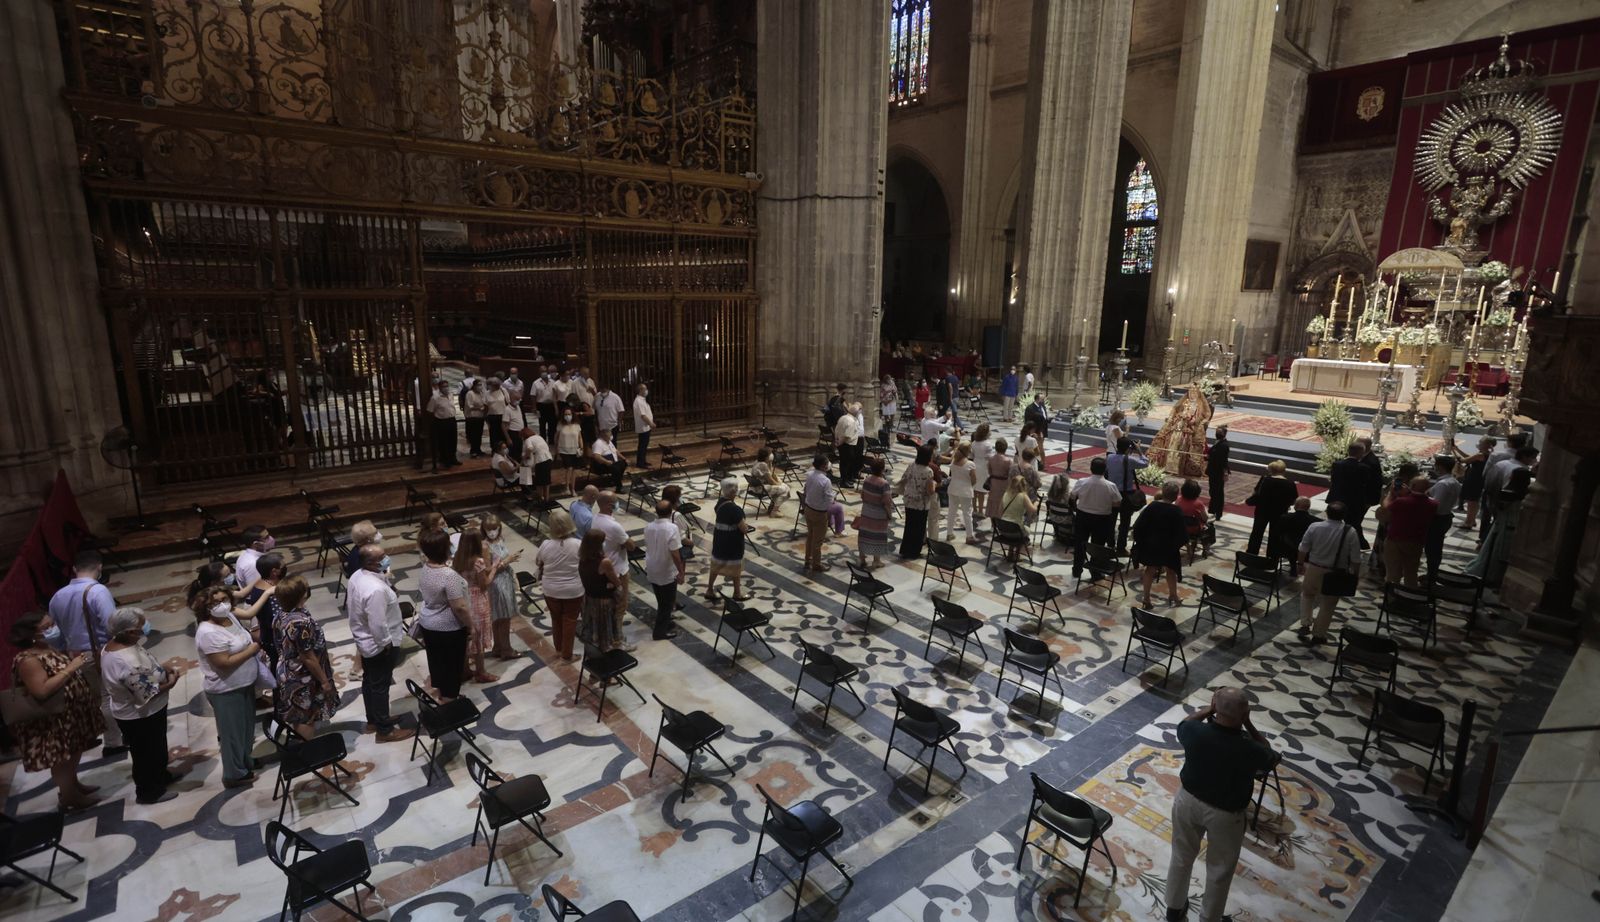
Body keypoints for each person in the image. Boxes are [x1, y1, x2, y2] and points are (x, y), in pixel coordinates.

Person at [1163, 687, 1276, 922]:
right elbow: (1270, 756)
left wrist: (1209, 709)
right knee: (1219, 870)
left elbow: (1185, 723)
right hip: (1225, 815)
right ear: (1245, 714)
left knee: (1181, 856)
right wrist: (1249, 725)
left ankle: (1173, 909)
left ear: (1215, 705)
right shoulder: (1249, 749)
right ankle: (1209, 918)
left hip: (1188, 801)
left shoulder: (1195, 732)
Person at [10, 611, 103, 809]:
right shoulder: (28, 660)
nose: (53, 629)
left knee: (75, 750)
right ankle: (69, 796)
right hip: (52, 722)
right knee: (63, 759)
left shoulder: (44, 648)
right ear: (33, 634)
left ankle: (74, 785)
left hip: (69, 715)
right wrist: (71, 668)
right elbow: (41, 691)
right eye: (47, 627)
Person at [48, 549, 124, 757]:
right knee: (108, 697)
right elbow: (112, 624)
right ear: (99, 567)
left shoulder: (57, 596)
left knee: (93, 698)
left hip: (74, 655)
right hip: (97, 652)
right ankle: (114, 742)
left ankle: (94, 734)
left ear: (74, 569)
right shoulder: (97, 591)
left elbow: (54, 633)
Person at [101, 607, 181, 804]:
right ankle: (148, 791)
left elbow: (144, 667)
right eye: (140, 626)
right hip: (140, 715)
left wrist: (161, 667)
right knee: (146, 753)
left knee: (157, 747)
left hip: (146, 712)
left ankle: (160, 775)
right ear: (128, 632)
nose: (144, 628)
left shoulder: (116, 645)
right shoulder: (125, 661)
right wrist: (170, 682)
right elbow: (147, 692)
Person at [193, 588, 264, 789]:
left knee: (245, 729)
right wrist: (252, 650)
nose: (221, 604)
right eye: (214, 603)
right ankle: (234, 774)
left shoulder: (230, 616)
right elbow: (223, 662)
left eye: (224, 599)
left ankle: (245, 761)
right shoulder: (207, 632)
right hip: (226, 689)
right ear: (205, 608)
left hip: (244, 683)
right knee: (232, 734)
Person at [346, 545, 413, 742]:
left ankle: (373, 719)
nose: (386, 558)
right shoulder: (374, 590)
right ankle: (385, 730)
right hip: (379, 644)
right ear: (371, 563)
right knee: (380, 685)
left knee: (371, 681)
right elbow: (377, 622)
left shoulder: (358, 575)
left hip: (365, 641)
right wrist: (386, 644)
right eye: (382, 556)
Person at [271, 575, 339, 741]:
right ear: (301, 595)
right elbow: (307, 656)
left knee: (300, 713)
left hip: (290, 669)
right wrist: (324, 681)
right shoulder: (299, 622)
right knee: (305, 716)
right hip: (302, 675)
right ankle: (306, 752)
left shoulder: (282, 613)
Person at [417, 528, 472, 702]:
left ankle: (443, 692)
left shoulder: (426, 568)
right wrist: (471, 625)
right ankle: (450, 700)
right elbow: (460, 607)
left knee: (438, 662)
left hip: (428, 623)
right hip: (449, 628)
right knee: (452, 665)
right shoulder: (449, 576)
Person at [1296, 501, 1361, 645]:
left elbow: (1303, 548)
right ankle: (1319, 634)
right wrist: (1355, 575)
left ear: (1326, 512)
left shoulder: (1315, 527)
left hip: (1314, 568)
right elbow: (1356, 558)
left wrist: (1300, 564)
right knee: (1328, 604)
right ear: (1344, 515)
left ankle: (1305, 623)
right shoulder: (1350, 532)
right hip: (1336, 572)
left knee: (1307, 595)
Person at [1468, 463, 1533, 587]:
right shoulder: (1527, 493)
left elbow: (1498, 509)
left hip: (1503, 523)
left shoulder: (1508, 492)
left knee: (1495, 549)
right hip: (1517, 524)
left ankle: (1490, 574)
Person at [454, 528, 506, 682]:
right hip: (477, 600)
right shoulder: (478, 561)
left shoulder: (458, 558)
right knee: (479, 635)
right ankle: (481, 672)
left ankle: (464, 670)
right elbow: (484, 584)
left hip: (463, 596)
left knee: (468, 636)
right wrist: (495, 567)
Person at [533, 510, 584, 661]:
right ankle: (567, 654)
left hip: (551, 589)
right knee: (569, 620)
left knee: (556, 620)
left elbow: (538, 561)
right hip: (573, 589)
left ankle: (559, 650)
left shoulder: (546, 544)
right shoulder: (578, 544)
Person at [592, 491, 637, 649]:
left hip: (604, 567)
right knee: (620, 606)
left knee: (611, 606)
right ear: (608, 505)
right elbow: (631, 545)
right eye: (615, 502)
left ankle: (609, 637)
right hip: (618, 569)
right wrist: (627, 541)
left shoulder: (595, 519)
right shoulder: (613, 526)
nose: (617, 504)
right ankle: (618, 641)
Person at [1133, 480, 1187, 607]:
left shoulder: (1152, 506)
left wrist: (1141, 541)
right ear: (1176, 496)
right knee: (1171, 571)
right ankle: (1173, 595)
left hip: (1151, 544)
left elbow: (1139, 526)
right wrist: (1176, 546)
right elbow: (1182, 533)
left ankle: (1146, 597)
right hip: (1169, 547)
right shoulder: (1176, 511)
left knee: (1149, 570)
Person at [1070, 457, 1122, 581]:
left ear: (1091, 468)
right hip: (1102, 519)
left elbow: (1072, 496)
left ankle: (1077, 570)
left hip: (1083, 516)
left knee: (1080, 544)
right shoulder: (1111, 485)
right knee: (1098, 546)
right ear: (1105, 470)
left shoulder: (1082, 482)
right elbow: (1117, 503)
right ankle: (1096, 572)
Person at [1381, 475, 1437, 587]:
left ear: (1413, 486)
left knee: (1393, 573)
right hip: (1416, 541)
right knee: (1411, 573)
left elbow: (1386, 507)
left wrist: (1391, 494)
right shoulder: (1433, 504)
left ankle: (1391, 599)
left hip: (1395, 539)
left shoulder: (1402, 502)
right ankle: (1409, 598)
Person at [642, 501, 686, 640]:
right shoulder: (672, 528)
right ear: (670, 511)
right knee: (667, 603)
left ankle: (666, 622)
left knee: (661, 599)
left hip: (652, 566)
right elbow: (675, 553)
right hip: (666, 569)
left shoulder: (649, 526)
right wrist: (681, 571)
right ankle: (659, 632)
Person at [481, 514, 523, 660]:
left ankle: (498, 647)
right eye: (489, 529)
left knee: (501, 616)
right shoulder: (485, 545)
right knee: (502, 617)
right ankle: (506, 649)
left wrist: (509, 559)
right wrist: (507, 561)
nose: (492, 532)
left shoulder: (500, 539)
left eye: (495, 528)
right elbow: (487, 570)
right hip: (496, 583)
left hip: (506, 579)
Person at [1480, 434, 1533, 541]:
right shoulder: (1522, 459)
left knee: (1486, 516)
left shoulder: (1497, 455)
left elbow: (1486, 473)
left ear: (1510, 443)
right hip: (1511, 495)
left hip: (1493, 489)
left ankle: (1483, 539)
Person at [1327, 441, 1378, 550]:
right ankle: (1360, 544)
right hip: (1355, 502)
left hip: (1337, 499)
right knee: (1354, 524)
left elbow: (1334, 481)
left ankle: (1337, 542)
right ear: (1360, 453)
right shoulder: (1364, 468)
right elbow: (1365, 485)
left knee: (1335, 523)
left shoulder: (1337, 465)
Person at [578, 531, 624, 654]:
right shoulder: (604, 562)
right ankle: (607, 656)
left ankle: (596, 654)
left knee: (594, 630)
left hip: (589, 598)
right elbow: (617, 582)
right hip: (603, 602)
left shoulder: (583, 558)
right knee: (605, 631)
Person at [707, 479, 752, 601]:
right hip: (732, 543)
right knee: (736, 568)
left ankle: (709, 589)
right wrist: (746, 527)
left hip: (719, 539)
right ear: (734, 491)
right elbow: (743, 529)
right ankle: (737, 593)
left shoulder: (720, 503)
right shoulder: (735, 509)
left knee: (716, 565)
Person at [1245, 460, 1299, 557]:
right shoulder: (1290, 483)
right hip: (1280, 513)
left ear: (1271, 470)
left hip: (1262, 511)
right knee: (1275, 535)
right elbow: (1293, 500)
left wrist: (1249, 501)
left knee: (1257, 533)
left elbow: (1256, 493)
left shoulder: (1265, 480)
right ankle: (1271, 557)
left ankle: (1251, 554)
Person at [1105, 437, 1150, 552]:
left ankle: (1110, 544)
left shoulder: (1109, 457)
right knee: (1125, 523)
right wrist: (1139, 450)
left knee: (1111, 521)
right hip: (1125, 494)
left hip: (1111, 493)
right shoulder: (1129, 460)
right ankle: (1121, 547)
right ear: (1129, 448)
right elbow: (1145, 463)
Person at [897, 443, 939, 559]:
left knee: (909, 525)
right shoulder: (928, 471)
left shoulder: (911, 465)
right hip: (921, 503)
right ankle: (914, 551)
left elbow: (904, 478)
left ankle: (905, 549)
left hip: (909, 499)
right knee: (919, 528)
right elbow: (930, 491)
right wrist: (935, 484)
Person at [1425, 455, 1462, 579]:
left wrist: (1423, 497)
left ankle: (1431, 575)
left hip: (1438, 519)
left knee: (1432, 548)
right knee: (1436, 547)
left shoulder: (1443, 484)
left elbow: (1436, 504)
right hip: (1446, 516)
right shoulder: (1455, 482)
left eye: (1436, 465)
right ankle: (1432, 574)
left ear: (1440, 467)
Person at [857, 456, 896, 568]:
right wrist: (889, 514)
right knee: (878, 536)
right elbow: (887, 502)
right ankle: (876, 560)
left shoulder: (867, 479)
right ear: (882, 469)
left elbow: (862, 496)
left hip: (866, 511)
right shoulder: (884, 484)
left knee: (864, 534)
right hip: (879, 515)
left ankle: (862, 558)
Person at [802, 454, 836, 573]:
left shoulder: (810, 474)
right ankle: (816, 564)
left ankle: (808, 560)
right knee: (818, 540)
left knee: (810, 536)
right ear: (823, 466)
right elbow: (828, 500)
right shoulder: (825, 481)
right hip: (819, 512)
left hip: (808, 508)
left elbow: (806, 489)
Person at [1270, 497, 1318, 573]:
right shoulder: (1316, 521)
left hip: (1285, 550)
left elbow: (1275, 534)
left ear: (1296, 506)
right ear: (1308, 507)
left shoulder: (1285, 517)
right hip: (1307, 553)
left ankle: (1291, 566)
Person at [997, 473, 1037, 563]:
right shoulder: (1023, 496)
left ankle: (1010, 553)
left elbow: (999, 512)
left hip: (1002, 528)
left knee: (1013, 525)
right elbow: (1032, 510)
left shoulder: (1006, 494)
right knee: (1024, 529)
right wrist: (1036, 503)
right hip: (1016, 530)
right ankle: (1016, 555)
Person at [944, 443, 978, 543]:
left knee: (951, 512)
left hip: (953, 489)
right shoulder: (970, 464)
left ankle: (949, 534)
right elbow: (974, 480)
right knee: (967, 514)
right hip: (965, 491)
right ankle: (969, 536)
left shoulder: (954, 461)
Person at [1459, 436, 1495, 531]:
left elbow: (1464, 460)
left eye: (1481, 442)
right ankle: (1472, 520)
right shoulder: (1486, 454)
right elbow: (1469, 457)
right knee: (1474, 501)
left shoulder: (1481, 455)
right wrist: (1456, 449)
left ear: (1487, 445)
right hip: (1480, 479)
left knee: (1471, 501)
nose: (1479, 443)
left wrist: (1456, 456)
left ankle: (1468, 522)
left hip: (1474, 479)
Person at [426, 378, 461, 468]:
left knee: (453, 440)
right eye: (444, 386)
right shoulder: (435, 398)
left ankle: (453, 458)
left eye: (447, 386)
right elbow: (430, 410)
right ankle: (445, 460)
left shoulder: (450, 395)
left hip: (452, 420)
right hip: (441, 421)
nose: (446, 388)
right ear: (439, 387)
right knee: (444, 441)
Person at [520, 426, 554, 501]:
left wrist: (525, 457)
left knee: (539, 482)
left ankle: (540, 499)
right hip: (548, 458)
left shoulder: (528, 440)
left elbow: (529, 448)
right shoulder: (538, 437)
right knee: (547, 481)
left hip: (540, 461)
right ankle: (546, 499)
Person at [235, 525, 275, 590]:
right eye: (266, 538)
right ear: (256, 544)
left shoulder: (247, 553)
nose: (270, 539)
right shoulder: (253, 564)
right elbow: (257, 590)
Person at [751, 447, 791, 512]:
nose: (772, 455)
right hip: (760, 489)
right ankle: (774, 511)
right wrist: (779, 484)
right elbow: (771, 481)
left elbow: (771, 474)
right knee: (786, 489)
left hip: (756, 486)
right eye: (770, 454)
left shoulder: (757, 461)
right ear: (766, 456)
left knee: (782, 486)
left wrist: (770, 464)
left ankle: (772, 507)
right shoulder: (763, 465)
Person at [835, 400, 864, 485]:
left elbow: (836, 430)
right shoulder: (851, 421)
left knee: (843, 463)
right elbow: (846, 436)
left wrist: (837, 440)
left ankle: (846, 479)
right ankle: (844, 481)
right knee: (846, 464)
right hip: (847, 445)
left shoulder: (843, 417)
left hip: (842, 444)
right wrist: (840, 442)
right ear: (856, 413)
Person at [985, 437, 1014, 522]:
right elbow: (1011, 474)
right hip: (1004, 483)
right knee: (1002, 501)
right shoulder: (1008, 461)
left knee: (993, 501)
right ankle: (1001, 520)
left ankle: (992, 522)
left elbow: (989, 471)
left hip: (994, 482)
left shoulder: (991, 459)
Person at [1205, 425, 1230, 520]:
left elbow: (1224, 461)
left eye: (1219, 432)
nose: (1217, 434)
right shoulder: (1218, 443)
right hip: (1213, 471)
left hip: (1218, 472)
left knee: (1218, 493)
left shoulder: (1224, 445)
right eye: (1217, 431)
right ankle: (1213, 510)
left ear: (1224, 434)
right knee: (1213, 491)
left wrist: (1225, 473)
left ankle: (1217, 512)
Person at [532, 367, 559, 444]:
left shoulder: (553, 382)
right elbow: (533, 396)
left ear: (547, 372)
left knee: (552, 424)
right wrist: (534, 407)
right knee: (542, 424)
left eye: (545, 371)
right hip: (541, 406)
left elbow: (556, 394)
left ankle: (551, 440)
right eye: (542, 371)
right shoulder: (536, 383)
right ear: (539, 373)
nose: (544, 373)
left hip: (551, 405)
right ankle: (543, 440)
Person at [464, 377, 488, 458]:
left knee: (479, 434)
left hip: (480, 417)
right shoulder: (470, 393)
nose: (480, 387)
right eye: (478, 385)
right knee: (473, 435)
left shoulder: (481, 393)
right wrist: (479, 408)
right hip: (472, 417)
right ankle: (473, 451)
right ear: (474, 386)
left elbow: (484, 402)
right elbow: (470, 405)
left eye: (481, 385)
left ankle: (478, 449)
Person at [632, 382, 655, 468]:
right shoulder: (638, 401)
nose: (646, 390)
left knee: (644, 445)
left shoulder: (642, 400)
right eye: (645, 389)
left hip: (646, 427)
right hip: (643, 427)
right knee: (642, 445)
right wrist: (651, 423)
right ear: (641, 390)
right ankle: (640, 463)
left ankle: (643, 461)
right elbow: (643, 415)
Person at [484, 376, 508, 452]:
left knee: (503, 433)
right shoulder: (487, 393)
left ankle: (504, 450)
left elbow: (507, 402)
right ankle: (495, 450)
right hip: (492, 416)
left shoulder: (503, 391)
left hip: (503, 415)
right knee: (494, 435)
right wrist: (485, 417)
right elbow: (485, 406)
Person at [878, 375, 899, 442]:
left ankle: (891, 425)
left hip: (892, 401)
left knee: (892, 414)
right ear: (885, 379)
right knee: (886, 414)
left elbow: (895, 392)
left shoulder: (892, 384)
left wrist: (897, 399)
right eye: (888, 379)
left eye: (890, 379)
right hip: (885, 401)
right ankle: (887, 425)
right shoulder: (883, 385)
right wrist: (883, 400)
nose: (889, 380)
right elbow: (881, 393)